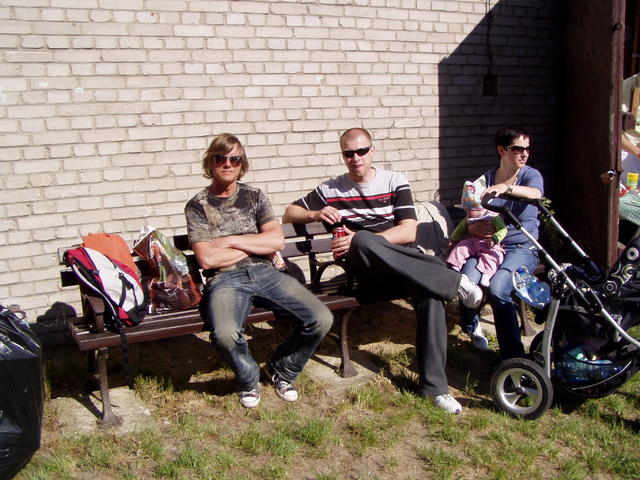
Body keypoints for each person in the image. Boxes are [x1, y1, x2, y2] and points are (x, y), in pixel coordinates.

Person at [282, 127, 484, 415]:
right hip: (366, 274)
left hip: (403, 266)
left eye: (361, 151)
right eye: (348, 153)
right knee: (362, 242)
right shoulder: (331, 189)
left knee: (430, 295)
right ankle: (455, 282)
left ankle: (435, 389)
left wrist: (368, 239)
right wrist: (315, 213)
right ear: (343, 156)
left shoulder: (394, 181)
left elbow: (408, 231)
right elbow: (289, 213)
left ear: (372, 151)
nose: (356, 158)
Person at [184, 133, 333, 409]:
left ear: (242, 163)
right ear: (210, 162)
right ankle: (249, 378)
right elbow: (207, 259)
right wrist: (255, 244)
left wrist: (230, 241)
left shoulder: (255, 197)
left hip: (266, 273)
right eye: (220, 158)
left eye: (234, 159)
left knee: (321, 318)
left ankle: (281, 369)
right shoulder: (198, 205)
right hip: (225, 279)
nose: (227, 163)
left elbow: (276, 241)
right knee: (225, 335)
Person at [461, 126, 544, 360]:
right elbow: (471, 216)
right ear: (501, 150)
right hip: (488, 247)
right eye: (517, 149)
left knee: (498, 289)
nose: (524, 154)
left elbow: (535, 193)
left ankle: (513, 357)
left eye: (527, 149)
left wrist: (507, 188)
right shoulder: (484, 181)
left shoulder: (530, 175)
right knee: (466, 281)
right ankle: (472, 329)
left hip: (522, 247)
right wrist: (472, 227)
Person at [446, 180, 508, 351]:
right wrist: (454, 240)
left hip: (490, 246)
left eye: (473, 209)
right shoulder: (469, 218)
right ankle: (454, 267)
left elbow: (503, 230)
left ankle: (485, 276)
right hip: (473, 245)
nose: (470, 213)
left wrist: (494, 238)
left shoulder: (493, 216)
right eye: (468, 210)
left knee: (489, 260)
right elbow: (460, 230)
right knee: (461, 251)